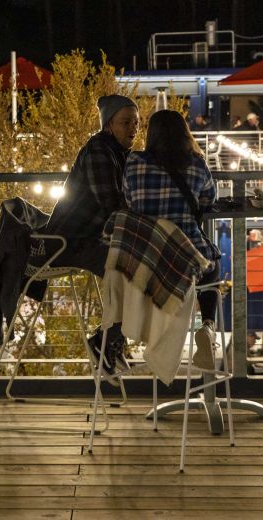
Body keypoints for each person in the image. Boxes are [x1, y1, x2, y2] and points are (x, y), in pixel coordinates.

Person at [39, 94, 138, 371]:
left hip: (88, 239)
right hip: (68, 242)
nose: (133, 128)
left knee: (132, 268)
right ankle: (107, 342)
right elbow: (113, 203)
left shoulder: (118, 153)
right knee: (129, 269)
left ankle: (111, 341)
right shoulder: (99, 151)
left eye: (137, 123)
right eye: (126, 122)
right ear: (108, 125)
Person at [123, 109, 222, 370]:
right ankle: (208, 328)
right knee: (212, 266)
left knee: (202, 263)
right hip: (187, 259)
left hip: (148, 262)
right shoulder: (197, 164)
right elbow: (208, 201)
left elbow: (130, 201)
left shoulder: (134, 162)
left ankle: (159, 338)